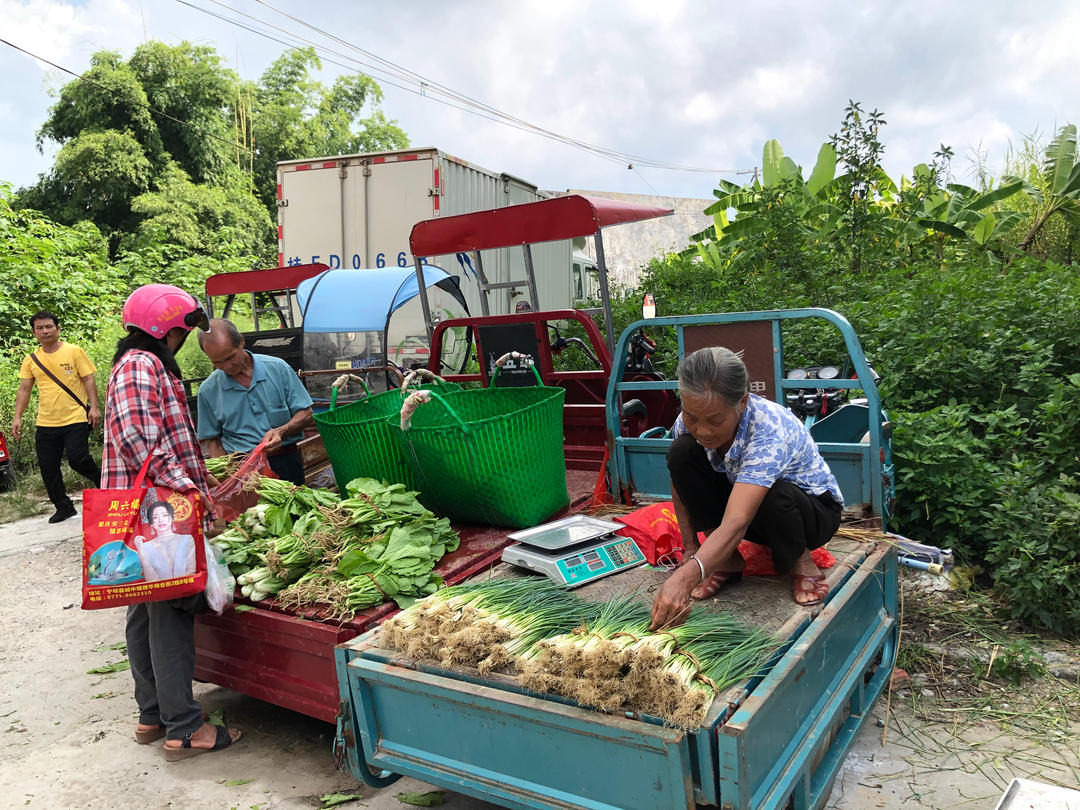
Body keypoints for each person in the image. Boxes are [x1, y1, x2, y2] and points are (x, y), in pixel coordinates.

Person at [102, 283, 241, 760]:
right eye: (183, 330)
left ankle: (153, 714)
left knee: (144, 612)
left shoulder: (140, 364)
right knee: (170, 615)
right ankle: (184, 728)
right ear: (166, 328)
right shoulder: (141, 365)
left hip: (149, 509)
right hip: (158, 514)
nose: (184, 340)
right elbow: (136, 436)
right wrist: (186, 492)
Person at [650, 347, 844, 631]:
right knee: (681, 452)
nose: (702, 430)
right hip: (752, 512)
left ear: (741, 402)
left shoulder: (769, 429)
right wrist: (691, 549)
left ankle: (800, 561)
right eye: (692, 417)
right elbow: (680, 478)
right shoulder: (692, 418)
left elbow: (738, 519)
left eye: (715, 421)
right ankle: (727, 561)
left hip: (809, 515)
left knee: (772, 492)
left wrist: (686, 578)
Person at [196, 319, 313, 485]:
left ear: (241, 342)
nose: (227, 366)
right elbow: (212, 440)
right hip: (242, 470)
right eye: (217, 362)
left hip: (284, 460)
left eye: (230, 357)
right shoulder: (208, 390)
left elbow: (306, 413)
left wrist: (281, 431)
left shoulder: (278, 369)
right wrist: (229, 473)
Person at [13, 311, 102, 523]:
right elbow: (24, 389)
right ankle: (63, 507)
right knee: (48, 467)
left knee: (78, 459)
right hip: (45, 421)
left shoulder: (74, 351)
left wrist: (95, 408)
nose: (45, 331)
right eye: (40, 328)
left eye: (49, 327)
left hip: (75, 418)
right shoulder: (31, 360)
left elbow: (88, 379)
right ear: (34, 333)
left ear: (58, 328)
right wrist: (17, 416)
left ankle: (106, 482)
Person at [133, 500, 196, 582]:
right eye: (155, 517)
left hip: (187, 589)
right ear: (151, 523)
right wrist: (141, 552)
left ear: (171, 518)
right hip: (161, 592)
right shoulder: (144, 547)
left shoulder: (187, 539)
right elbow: (152, 581)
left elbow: (191, 571)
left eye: (165, 515)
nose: (160, 520)